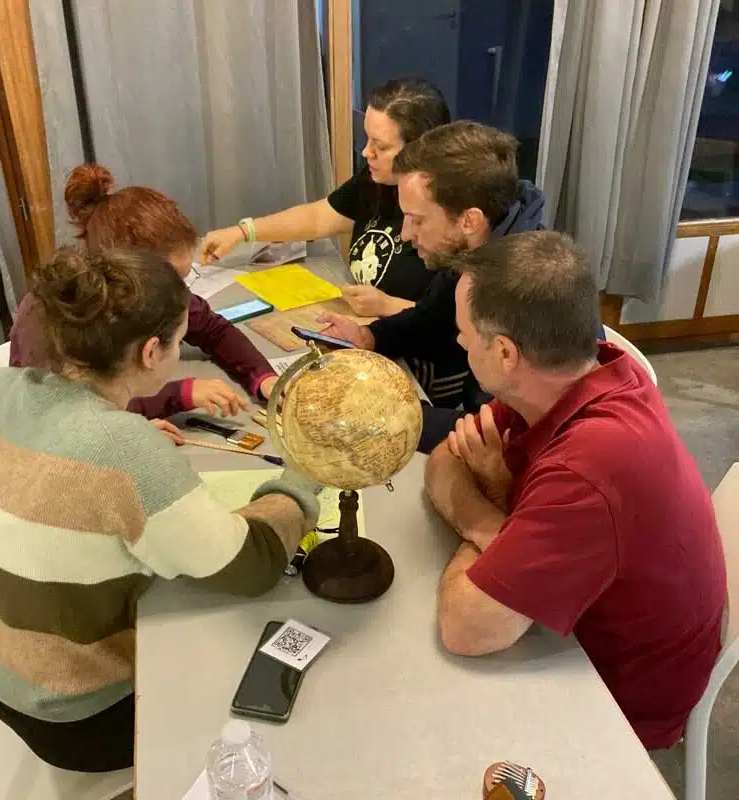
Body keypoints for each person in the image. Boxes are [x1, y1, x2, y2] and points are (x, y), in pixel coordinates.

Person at [0, 247, 320, 772]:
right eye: (180, 341)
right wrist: (301, 474)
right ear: (152, 352)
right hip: (82, 722)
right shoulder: (124, 449)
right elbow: (255, 564)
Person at [423, 230, 726, 751]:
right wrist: (499, 527)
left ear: (505, 352)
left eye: (465, 335)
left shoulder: (591, 465)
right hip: (574, 632)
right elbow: (447, 460)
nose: (458, 343)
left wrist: (491, 517)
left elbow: (466, 629)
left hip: (615, 699)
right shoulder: (576, 373)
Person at [10, 164, 279, 435]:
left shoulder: (154, 294)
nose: (180, 292)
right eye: (173, 279)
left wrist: (264, 378)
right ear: (127, 272)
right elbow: (72, 411)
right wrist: (178, 395)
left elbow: (213, 329)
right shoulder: (52, 319)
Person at [316, 120, 545, 413]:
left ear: (469, 221)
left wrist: (387, 415)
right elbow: (431, 320)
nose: (405, 234)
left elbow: (493, 428)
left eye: (418, 220)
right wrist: (369, 336)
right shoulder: (475, 246)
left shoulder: (522, 295)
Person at [200, 77, 451, 317]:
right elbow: (320, 217)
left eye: (381, 146)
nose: (366, 152)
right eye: (367, 140)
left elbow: (455, 322)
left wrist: (389, 306)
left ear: (418, 148)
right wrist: (243, 232)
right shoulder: (378, 180)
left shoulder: (450, 211)